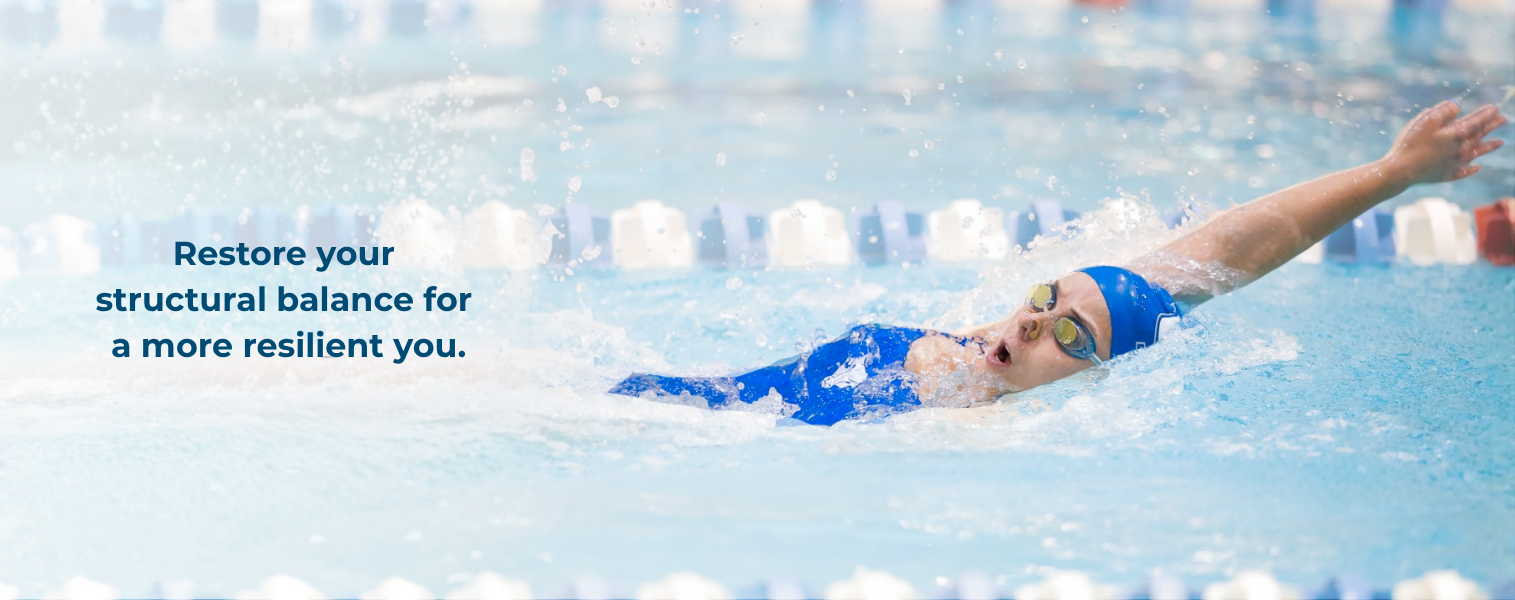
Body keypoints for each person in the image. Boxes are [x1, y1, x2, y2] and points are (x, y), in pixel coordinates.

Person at [611, 101, 1509, 425]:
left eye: (1069, 334)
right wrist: (1392, 172)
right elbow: (1226, 250)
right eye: (1045, 299)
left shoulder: (984, 428)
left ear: (1099, 373)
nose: (1035, 322)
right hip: (654, 398)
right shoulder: (981, 354)